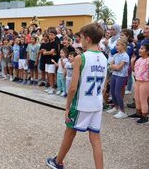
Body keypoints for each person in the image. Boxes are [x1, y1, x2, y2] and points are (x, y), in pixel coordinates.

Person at [46, 23, 107, 169]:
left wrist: (67, 106)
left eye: (80, 38)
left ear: (87, 38)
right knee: (95, 138)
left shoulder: (81, 58)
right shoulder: (104, 58)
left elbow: (73, 88)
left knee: (69, 131)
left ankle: (58, 162)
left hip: (81, 104)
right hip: (97, 103)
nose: (80, 41)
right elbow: (104, 86)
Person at [106, 38, 129, 119]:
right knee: (112, 92)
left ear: (123, 46)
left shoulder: (125, 56)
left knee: (117, 93)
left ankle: (122, 111)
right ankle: (116, 107)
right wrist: (114, 66)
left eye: (118, 45)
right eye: (116, 45)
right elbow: (111, 66)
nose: (116, 46)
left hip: (121, 76)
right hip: (114, 75)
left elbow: (119, 67)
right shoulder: (115, 55)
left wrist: (114, 66)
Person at [129, 44, 149, 124]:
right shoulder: (139, 60)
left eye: (142, 49)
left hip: (145, 82)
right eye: (140, 48)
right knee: (136, 98)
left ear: (147, 51)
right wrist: (132, 62)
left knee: (143, 99)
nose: (139, 50)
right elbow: (134, 70)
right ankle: (138, 113)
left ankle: (145, 117)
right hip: (138, 81)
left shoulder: (148, 60)